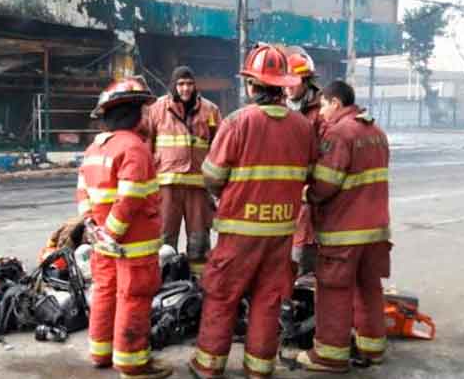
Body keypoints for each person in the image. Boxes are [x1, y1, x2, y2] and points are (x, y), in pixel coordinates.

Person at [187, 44, 318, 379]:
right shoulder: (303, 127)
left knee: (222, 295)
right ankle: (259, 369)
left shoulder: (237, 122)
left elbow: (213, 176)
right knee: (268, 299)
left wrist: (227, 195)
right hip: (280, 233)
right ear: (283, 85)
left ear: (251, 84)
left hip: (239, 232)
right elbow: (307, 174)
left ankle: (208, 366)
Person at [76, 76, 173, 379]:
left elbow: (82, 193)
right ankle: (132, 363)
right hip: (132, 244)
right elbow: (130, 197)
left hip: (102, 242)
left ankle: (101, 352)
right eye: (144, 110)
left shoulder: (94, 148)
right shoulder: (134, 147)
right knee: (134, 297)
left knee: (104, 291)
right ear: (132, 113)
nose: (148, 116)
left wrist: (95, 228)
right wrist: (113, 233)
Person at [295, 80, 392, 373]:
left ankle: (329, 355)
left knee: (333, 291)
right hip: (376, 231)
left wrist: (304, 194)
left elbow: (326, 184)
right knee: (369, 289)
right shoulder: (377, 132)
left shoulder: (339, 134)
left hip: (344, 232)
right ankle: (372, 348)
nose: (321, 111)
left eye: (323, 105)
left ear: (335, 103)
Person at [141, 66, 222, 274]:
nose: (185, 89)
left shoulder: (210, 110)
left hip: (198, 187)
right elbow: (146, 146)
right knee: (165, 239)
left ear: (195, 85)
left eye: (189, 84)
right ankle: (165, 281)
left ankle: (199, 284)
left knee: (199, 240)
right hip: (167, 187)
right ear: (174, 86)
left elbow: (219, 148)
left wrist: (218, 186)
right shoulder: (157, 109)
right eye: (181, 84)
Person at [284, 47, 324, 274]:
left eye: (294, 80)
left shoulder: (322, 110)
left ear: (307, 80)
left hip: (310, 195)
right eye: (285, 80)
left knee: (303, 255)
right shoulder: (279, 106)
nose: (288, 85)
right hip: (283, 194)